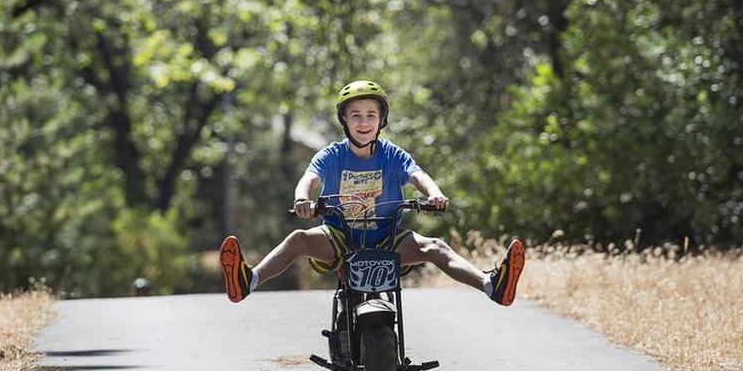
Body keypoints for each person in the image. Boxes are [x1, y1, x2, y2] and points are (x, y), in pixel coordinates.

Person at [218, 80, 526, 306]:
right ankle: (248, 281)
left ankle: (491, 285)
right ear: (344, 120)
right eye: (355, 115)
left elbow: (417, 175)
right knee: (298, 240)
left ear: (381, 121)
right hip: (340, 239)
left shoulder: (392, 154)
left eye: (370, 115)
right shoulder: (332, 154)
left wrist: (434, 193)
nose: (363, 121)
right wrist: (302, 199)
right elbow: (309, 178)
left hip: (386, 238)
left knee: (435, 246)